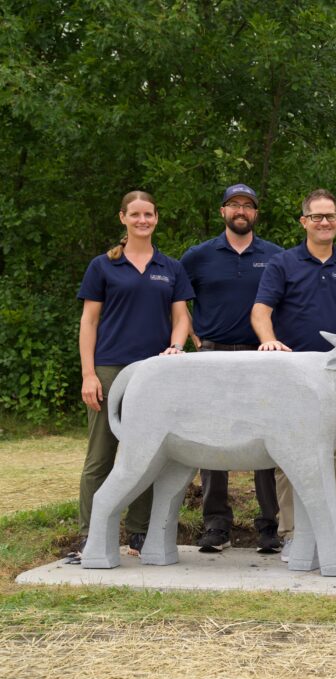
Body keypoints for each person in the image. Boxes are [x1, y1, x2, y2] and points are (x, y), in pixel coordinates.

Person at [251, 188, 336, 564]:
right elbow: (260, 312)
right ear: (304, 221)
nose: (325, 222)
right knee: (290, 458)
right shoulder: (282, 263)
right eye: (317, 216)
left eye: (331, 216)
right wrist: (269, 343)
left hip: (334, 380)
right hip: (291, 378)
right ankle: (293, 536)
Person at [72, 191, 193, 562]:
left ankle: (139, 534)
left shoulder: (170, 266)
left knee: (149, 456)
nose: (143, 220)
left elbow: (182, 317)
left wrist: (175, 347)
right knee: (101, 457)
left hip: (154, 375)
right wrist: (89, 374)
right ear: (122, 217)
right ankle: (90, 535)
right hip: (110, 370)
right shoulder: (102, 266)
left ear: (157, 218)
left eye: (149, 214)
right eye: (136, 214)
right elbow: (89, 321)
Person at [179, 183, 284, 554]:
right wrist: (190, 332)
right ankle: (216, 525)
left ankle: (270, 525)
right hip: (211, 357)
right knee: (211, 440)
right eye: (234, 205)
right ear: (222, 210)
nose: (241, 211)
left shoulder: (276, 256)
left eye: (248, 206)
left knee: (266, 441)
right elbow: (174, 298)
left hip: (260, 357)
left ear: (256, 213)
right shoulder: (199, 256)